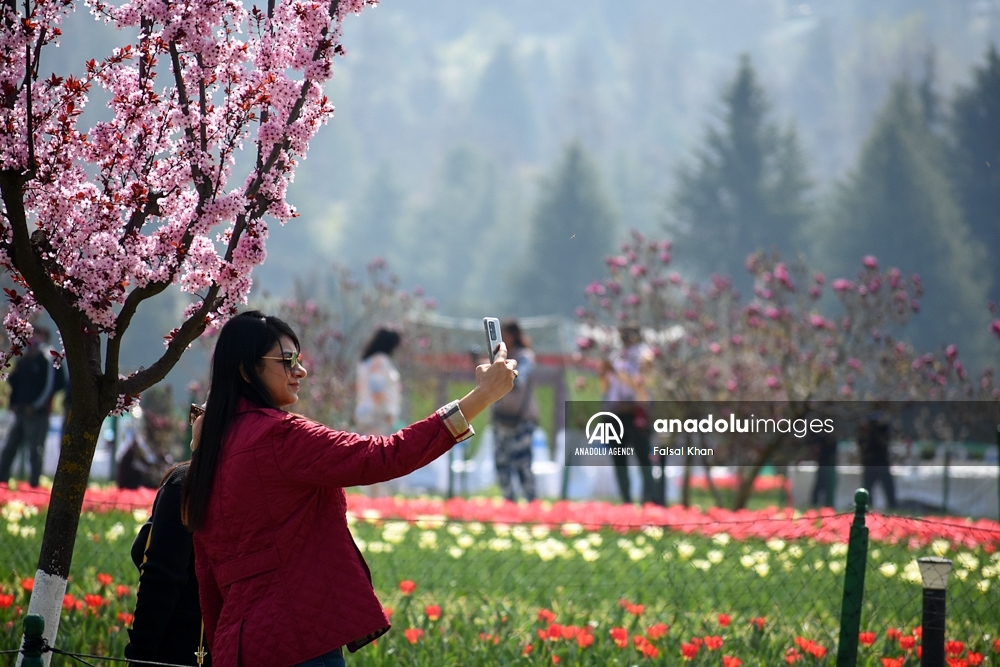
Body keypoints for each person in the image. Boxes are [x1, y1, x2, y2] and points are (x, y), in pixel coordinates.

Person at [181, 310, 516, 667]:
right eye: (287, 360)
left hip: (238, 647)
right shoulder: (279, 436)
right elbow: (386, 456)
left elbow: (207, 574)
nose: (301, 371)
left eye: (300, 359)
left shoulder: (209, 451)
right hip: (299, 639)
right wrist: (481, 396)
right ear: (247, 371)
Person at [124, 407, 208, 666]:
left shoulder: (186, 483)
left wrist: (139, 655)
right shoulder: (245, 483)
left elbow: (160, 579)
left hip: (176, 650)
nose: (193, 419)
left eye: (200, 412)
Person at [0, 327, 65, 488]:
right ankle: (2, 482)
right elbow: (13, 382)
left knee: (35, 452)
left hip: (38, 414)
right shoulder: (24, 359)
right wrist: (12, 404)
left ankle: (34, 486)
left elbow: (51, 387)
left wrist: (36, 406)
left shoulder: (48, 359)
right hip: (20, 412)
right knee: (9, 449)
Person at [600, 324, 655, 505]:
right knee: (619, 459)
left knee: (643, 458)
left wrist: (617, 372)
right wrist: (604, 373)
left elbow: (640, 383)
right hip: (615, 414)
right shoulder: (616, 357)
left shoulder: (645, 356)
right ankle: (626, 501)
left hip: (636, 413)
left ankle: (648, 500)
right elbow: (605, 387)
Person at [490, 320, 539, 502]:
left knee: (522, 463)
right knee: (501, 463)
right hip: (500, 420)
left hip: (522, 419)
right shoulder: (498, 359)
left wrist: (499, 367)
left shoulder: (524, 356)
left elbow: (518, 379)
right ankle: (508, 501)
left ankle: (530, 500)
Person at [354, 327, 402, 437]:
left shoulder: (367, 361)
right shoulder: (379, 361)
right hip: (376, 418)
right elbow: (376, 390)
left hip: (366, 415)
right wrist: (388, 412)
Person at [859, 413, 896, 509]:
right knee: (867, 490)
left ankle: (892, 507)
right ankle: (867, 507)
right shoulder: (865, 432)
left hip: (882, 462)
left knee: (889, 489)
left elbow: (886, 441)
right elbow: (862, 445)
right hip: (870, 463)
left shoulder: (883, 428)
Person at [808, 430, 837, 508]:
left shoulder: (831, 441)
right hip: (823, 465)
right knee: (820, 487)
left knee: (826, 488)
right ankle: (815, 504)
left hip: (828, 466)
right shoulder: (821, 439)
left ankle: (825, 504)